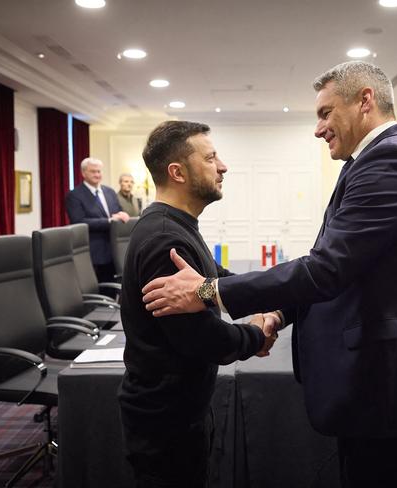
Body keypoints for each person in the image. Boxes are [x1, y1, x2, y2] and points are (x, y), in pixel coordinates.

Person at [141, 61, 397, 488]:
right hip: (376, 377)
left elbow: (326, 270)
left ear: (365, 100)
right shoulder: (366, 163)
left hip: (391, 382)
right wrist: (279, 313)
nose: (318, 128)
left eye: (325, 113)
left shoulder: (393, 161)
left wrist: (209, 290)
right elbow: (338, 266)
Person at [117, 120, 276, 488]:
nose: (223, 166)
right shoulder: (163, 240)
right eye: (211, 157)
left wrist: (275, 294)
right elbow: (201, 339)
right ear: (178, 173)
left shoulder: (178, 226)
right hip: (165, 420)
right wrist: (255, 335)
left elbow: (216, 280)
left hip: (179, 410)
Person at [65, 157, 131, 283]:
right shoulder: (74, 195)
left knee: (118, 288)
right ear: (83, 173)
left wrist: (122, 214)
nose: (97, 175)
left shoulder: (110, 192)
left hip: (116, 250)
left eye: (99, 171)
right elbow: (79, 222)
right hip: (94, 252)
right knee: (102, 291)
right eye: (93, 171)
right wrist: (109, 221)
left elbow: (118, 211)